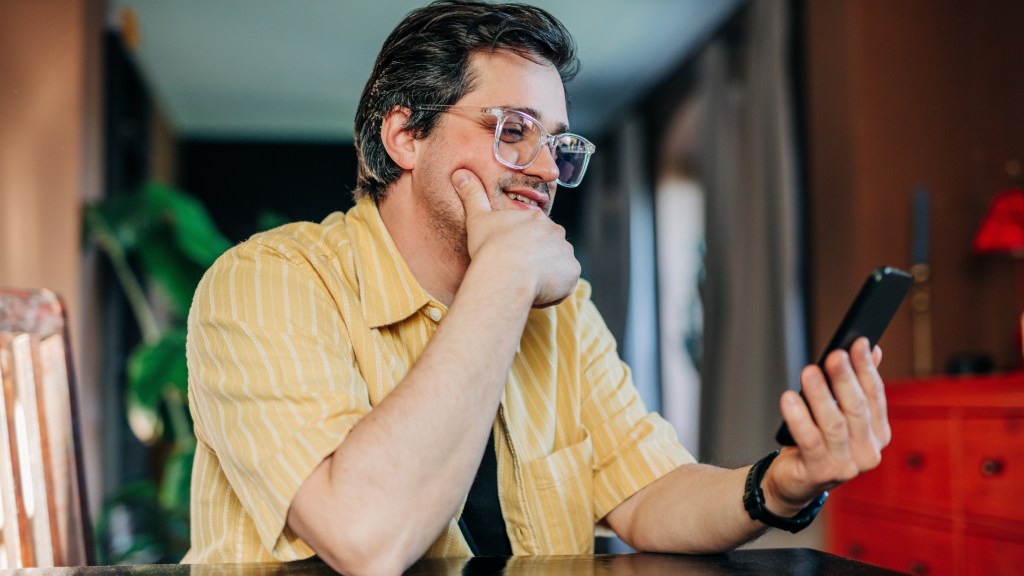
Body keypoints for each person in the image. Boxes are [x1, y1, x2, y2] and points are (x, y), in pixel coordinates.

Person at [183, 2, 891, 575]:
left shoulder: (559, 313)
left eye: (556, 141)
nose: (546, 168)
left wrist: (781, 484)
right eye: (512, 130)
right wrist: (505, 274)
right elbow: (367, 540)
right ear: (404, 135)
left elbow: (647, 493)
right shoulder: (265, 282)